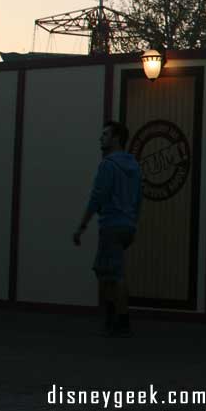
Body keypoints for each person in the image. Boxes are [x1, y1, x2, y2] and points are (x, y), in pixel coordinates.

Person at [73, 121, 143, 336]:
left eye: (105, 134)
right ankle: (113, 317)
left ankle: (121, 322)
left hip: (112, 225)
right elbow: (138, 199)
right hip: (127, 226)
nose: (100, 138)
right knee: (104, 271)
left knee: (114, 274)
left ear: (116, 138)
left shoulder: (108, 165)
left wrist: (82, 225)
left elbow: (98, 197)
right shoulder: (135, 166)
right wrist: (132, 221)